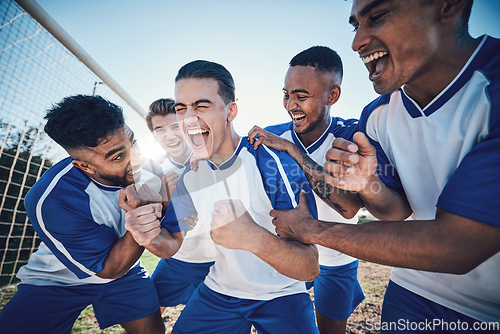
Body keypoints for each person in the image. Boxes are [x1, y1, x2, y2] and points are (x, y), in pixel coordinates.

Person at [270, 0, 500, 331]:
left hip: (489, 311)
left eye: (377, 16)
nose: (356, 41)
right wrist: (368, 184)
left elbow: (459, 244)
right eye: (356, 25)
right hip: (409, 289)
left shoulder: (490, 89)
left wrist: (309, 229)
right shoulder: (377, 115)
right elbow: (394, 212)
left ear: (448, 6)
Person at [125, 60, 321, 334]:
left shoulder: (273, 162)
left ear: (231, 111)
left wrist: (254, 238)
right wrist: (147, 236)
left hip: (282, 294)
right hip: (219, 291)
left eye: (201, 106)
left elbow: (309, 268)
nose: (189, 119)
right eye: (182, 109)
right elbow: (171, 244)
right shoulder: (190, 176)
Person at [0, 95, 179, 334]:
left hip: (127, 271)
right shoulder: (50, 200)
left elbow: (166, 235)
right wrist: (141, 212)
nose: (135, 159)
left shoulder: (149, 168)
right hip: (59, 280)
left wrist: (165, 201)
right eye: (117, 156)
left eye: (133, 142)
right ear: (84, 166)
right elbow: (109, 269)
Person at [248, 46, 364, 334]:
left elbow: (349, 209)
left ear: (332, 95)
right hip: (290, 255)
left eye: (302, 96)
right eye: (286, 95)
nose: (290, 105)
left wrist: (293, 152)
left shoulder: (351, 135)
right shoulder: (270, 135)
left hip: (338, 258)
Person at [144, 98, 216, 314]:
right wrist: (167, 201)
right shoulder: (151, 173)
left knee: (214, 320)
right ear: (154, 136)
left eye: (175, 126)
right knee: (148, 312)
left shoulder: (215, 158)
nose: (170, 135)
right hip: (176, 260)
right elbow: (155, 227)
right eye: (160, 130)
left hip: (217, 261)